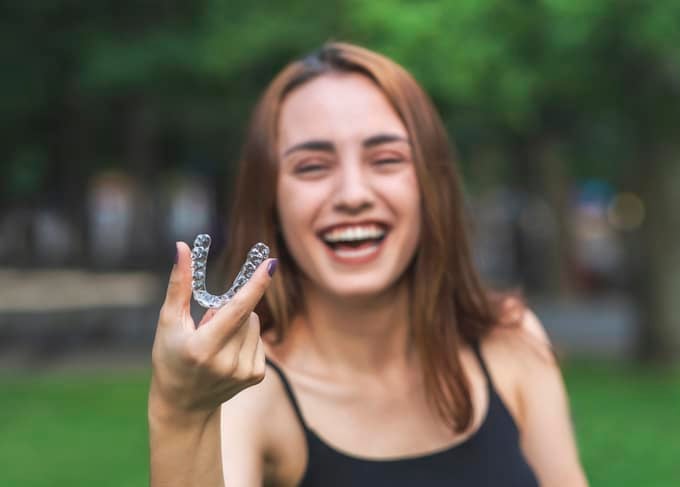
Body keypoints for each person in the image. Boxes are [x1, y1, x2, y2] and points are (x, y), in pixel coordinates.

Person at [148, 42, 589, 487]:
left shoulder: (511, 342)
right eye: (313, 167)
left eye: (386, 159)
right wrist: (182, 416)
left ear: (430, 184)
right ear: (272, 198)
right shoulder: (247, 392)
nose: (353, 194)